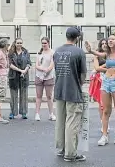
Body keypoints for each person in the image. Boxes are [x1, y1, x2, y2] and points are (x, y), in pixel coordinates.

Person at [85, 34, 115, 146]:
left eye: (112, 39)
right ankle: (104, 135)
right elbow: (98, 54)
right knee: (105, 110)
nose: (110, 41)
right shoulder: (107, 54)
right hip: (106, 81)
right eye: (109, 39)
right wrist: (90, 50)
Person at [54, 26, 87, 162]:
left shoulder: (57, 51)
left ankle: (61, 148)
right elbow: (83, 75)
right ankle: (71, 152)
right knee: (72, 121)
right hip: (73, 89)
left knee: (60, 120)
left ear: (66, 36)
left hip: (59, 88)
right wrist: (80, 83)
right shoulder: (79, 52)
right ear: (77, 37)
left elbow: (56, 69)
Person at [88, 38, 109, 132]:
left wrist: (101, 68)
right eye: (102, 43)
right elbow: (96, 67)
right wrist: (102, 68)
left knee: (108, 104)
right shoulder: (97, 55)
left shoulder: (111, 54)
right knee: (101, 103)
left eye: (106, 43)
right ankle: (103, 123)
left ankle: (106, 122)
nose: (104, 45)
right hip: (100, 80)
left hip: (110, 79)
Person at [8, 38, 31, 120]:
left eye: (21, 43)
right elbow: (9, 64)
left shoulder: (26, 52)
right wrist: (20, 70)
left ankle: (24, 112)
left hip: (24, 76)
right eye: (18, 43)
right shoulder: (11, 52)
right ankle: (12, 112)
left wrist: (25, 71)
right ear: (15, 43)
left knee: (24, 95)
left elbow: (29, 63)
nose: (19, 44)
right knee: (13, 95)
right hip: (13, 76)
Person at [34, 37, 56, 121]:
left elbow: (51, 65)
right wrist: (42, 69)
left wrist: (46, 70)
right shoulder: (39, 53)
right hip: (39, 76)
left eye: (45, 43)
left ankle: (51, 114)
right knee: (38, 96)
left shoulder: (52, 52)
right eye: (42, 43)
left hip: (49, 76)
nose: (43, 45)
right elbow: (36, 65)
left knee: (49, 96)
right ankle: (37, 114)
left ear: (48, 43)